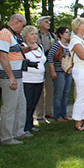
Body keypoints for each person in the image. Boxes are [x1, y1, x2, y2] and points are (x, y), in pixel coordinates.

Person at [0, 14, 32, 145]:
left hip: (18, 76)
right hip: (10, 77)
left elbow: (16, 51)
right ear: (17, 22)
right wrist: (11, 77)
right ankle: (6, 137)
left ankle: (18, 131)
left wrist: (28, 48)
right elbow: (3, 57)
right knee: (9, 107)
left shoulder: (12, 36)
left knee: (20, 104)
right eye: (23, 25)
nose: (22, 29)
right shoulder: (4, 34)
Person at [21, 26, 47, 133]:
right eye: (32, 34)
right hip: (27, 80)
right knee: (28, 103)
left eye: (36, 34)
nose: (35, 36)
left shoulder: (39, 47)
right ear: (26, 36)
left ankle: (30, 124)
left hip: (39, 80)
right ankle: (24, 127)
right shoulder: (22, 47)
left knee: (34, 103)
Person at [48, 26, 72, 122]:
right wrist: (52, 70)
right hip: (59, 71)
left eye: (68, 32)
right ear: (60, 34)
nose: (68, 34)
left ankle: (64, 114)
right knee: (58, 94)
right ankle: (57, 115)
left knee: (65, 94)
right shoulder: (56, 45)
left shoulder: (69, 45)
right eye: (66, 32)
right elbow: (50, 57)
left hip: (68, 72)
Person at [35, 16, 56, 119]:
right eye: (46, 22)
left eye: (49, 21)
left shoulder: (52, 36)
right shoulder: (36, 35)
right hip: (38, 63)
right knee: (39, 88)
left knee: (50, 88)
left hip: (49, 63)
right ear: (40, 24)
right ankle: (39, 113)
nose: (48, 23)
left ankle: (49, 111)